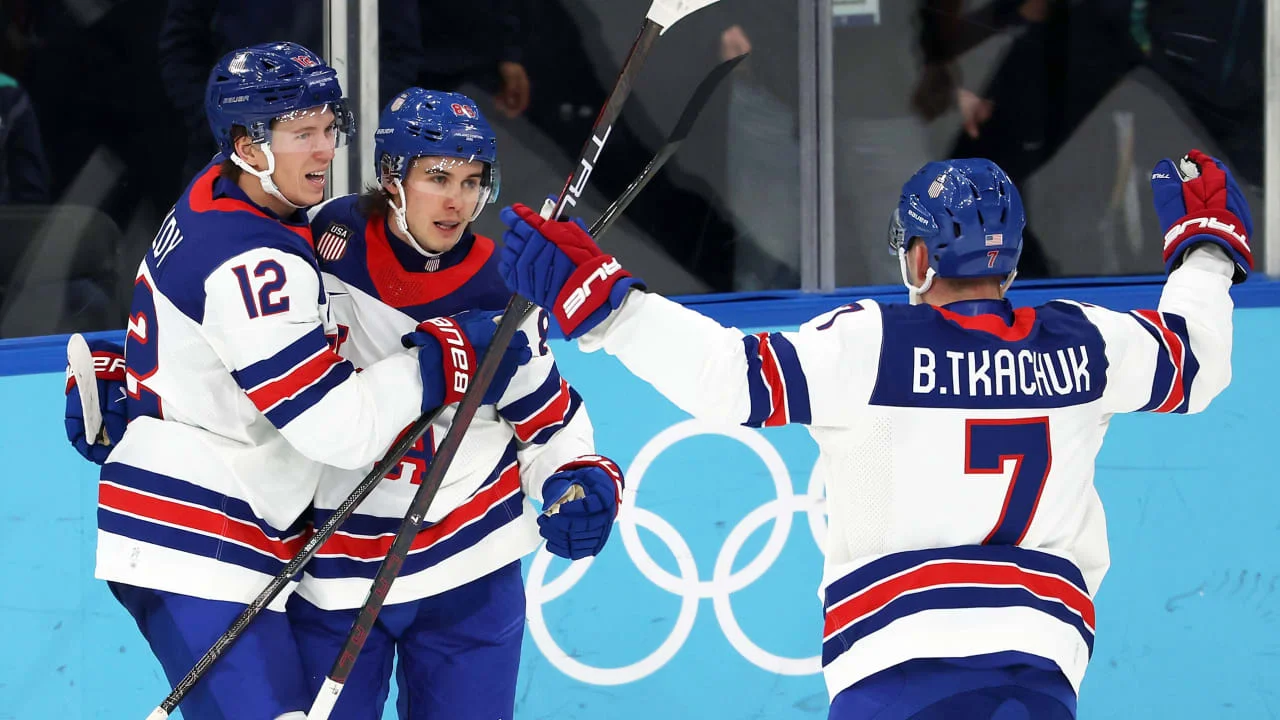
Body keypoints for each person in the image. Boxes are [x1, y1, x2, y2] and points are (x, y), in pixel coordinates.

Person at [494, 150, 1249, 718]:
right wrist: (1205, 252)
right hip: (1040, 670)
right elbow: (1198, 361)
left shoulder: (871, 343)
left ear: (919, 256)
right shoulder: (1085, 341)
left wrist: (606, 306)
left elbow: (727, 376)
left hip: (897, 672)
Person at [67, 42, 529, 720]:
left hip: (210, 529)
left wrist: (136, 372)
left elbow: (195, 319)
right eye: (300, 134)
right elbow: (338, 430)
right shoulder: (258, 262)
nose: (323, 150)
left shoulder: (221, 191)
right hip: (199, 541)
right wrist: (442, 359)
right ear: (247, 143)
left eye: (327, 127)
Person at [290, 86, 625, 720]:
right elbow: (234, 328)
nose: (457, 199)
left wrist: (577, 476)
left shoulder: (505, 282)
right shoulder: (320, 242)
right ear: (393, 176)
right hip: (334, 566)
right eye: (438, 176)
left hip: (471, 566)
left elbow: (547, 421)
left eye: (473, 181)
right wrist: (142, 375)